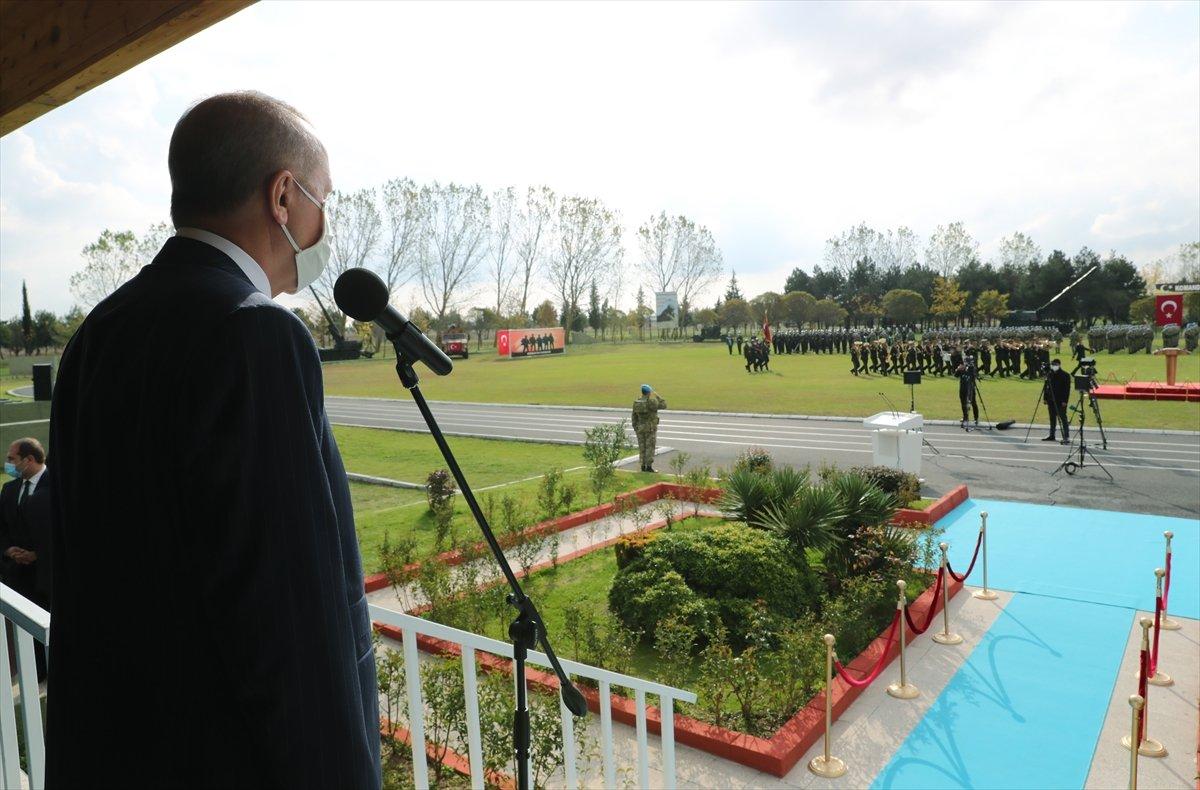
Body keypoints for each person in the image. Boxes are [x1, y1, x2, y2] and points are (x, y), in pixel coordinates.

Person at [46, 92, 380, 788]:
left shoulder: (97, 335)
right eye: (326, 201)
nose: (326, 225)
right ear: (283, 197)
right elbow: (293, 630)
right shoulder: (255, 334)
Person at [1, 438, 53, 680]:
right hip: (19, 576)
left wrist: (38, 554)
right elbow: (2, 528)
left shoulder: (57, 485)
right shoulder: (10, 490)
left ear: (29, 459)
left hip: (49, 574)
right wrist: (10, 549)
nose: (8, 464)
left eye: (12, 459)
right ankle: (36, 673)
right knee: (26, 631)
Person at [632, 384, 667, 472]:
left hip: (640, 428)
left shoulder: (637, 402)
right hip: (650, 428)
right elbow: (664, 405)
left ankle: (642, 466)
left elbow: (634, 416)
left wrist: (636, 427)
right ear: (649, 392)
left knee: (642, 447)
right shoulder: (652, 402)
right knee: (650, 447)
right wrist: (657, 395)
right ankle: (649, 467)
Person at [1044, 358, 1072, 444]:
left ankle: (1066, 436)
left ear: (1059, 365)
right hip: (1051, 400)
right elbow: (1046, 387)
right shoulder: (1049, 374)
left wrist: (1065, 401)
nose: (1053, 366)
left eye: (1055, 365)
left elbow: (1067, 390)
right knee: (1052, 419)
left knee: (1063, 419)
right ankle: (1052, 435)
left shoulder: (1065, 375)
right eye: (1052, 365)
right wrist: (1045, 398)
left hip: (1060, 401)